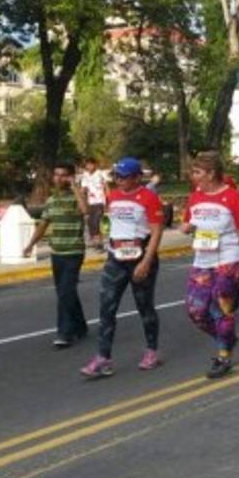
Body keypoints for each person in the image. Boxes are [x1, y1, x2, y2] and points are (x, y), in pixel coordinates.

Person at [80, 157, 164, 379]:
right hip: (116, 259)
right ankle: (103, 358)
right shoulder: (113, 196)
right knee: (106, 308)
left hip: (140, 257)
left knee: (144, 307)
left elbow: (156, 231)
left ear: (137, 177)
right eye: (116, 176)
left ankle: (152, 350)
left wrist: (146, 261)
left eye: (124, 177)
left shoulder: (149, 197)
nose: (119, 180)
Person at [182, 151, 239, 379]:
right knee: (196, 311)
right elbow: (186, 224)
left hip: (228, 258)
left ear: (211, 173)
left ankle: (224, 355)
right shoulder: (194, 197)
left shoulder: (233, 196)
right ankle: (227, 338)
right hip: (202, 260)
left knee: (221, 305)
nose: (193, 176)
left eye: (197, 172)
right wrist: (186, 228)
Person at [23, 162, 90, 348]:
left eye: (63, 175)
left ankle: (64, 332)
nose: (59, 178)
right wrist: (30, 245)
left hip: (74, 251)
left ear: (70, 177)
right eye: (56, 175)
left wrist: (75, 187)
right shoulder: (51, 200)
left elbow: (85, 211)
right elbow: (43, 224)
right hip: (57, 252)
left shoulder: (78, 196)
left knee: (65, 292)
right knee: (65, 292)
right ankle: (80, 326)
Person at [79, 157, 108, 248]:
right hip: (90, 203)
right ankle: (97, 241)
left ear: (95, 165)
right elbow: (83, 189)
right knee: (90, 222)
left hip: (100, 202)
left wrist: (108, 201)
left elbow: (106, 188)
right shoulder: (85, 175)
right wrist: (80, 199)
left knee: (96, 221)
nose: (89, 166)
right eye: (87, 164)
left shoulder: (101, 174)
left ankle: (98, 242)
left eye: (91, 164)